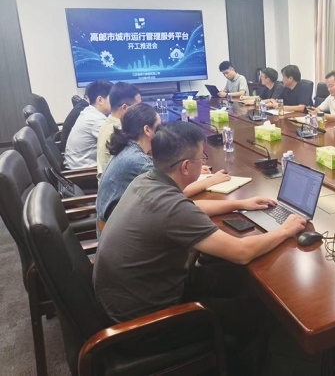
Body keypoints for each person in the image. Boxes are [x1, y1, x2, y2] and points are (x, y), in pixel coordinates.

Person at [93, 121, 306, 323]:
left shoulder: (146, 180)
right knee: (255, 311)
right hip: (148, 319)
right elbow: (242, 252)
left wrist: (241, 204)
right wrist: (285, 230)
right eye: (201, 158)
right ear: (186, 166)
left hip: (123, 297)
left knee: (230, 276)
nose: (204, 162)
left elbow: (191, 207)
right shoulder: (171, 207)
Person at [96, 103, 231, 233]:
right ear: (147, 130)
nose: (162, 132)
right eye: (158, 127)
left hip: (116, 226)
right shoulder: (138, 161)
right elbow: (175, 191)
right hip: (119, 231)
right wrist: (211, 180)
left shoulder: (129, 148)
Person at [64, 80, 113, 169]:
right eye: (113, 98)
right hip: (84, 172)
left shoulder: (89, 112)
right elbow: (117, 144)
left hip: (78, 167)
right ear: (100, 100)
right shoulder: (95, 120)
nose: (116, 101)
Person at [96, 82, 142, 177]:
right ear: (125, 108)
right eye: (138, 107)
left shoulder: (107, 123)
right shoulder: (120, 130)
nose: (141, 111)